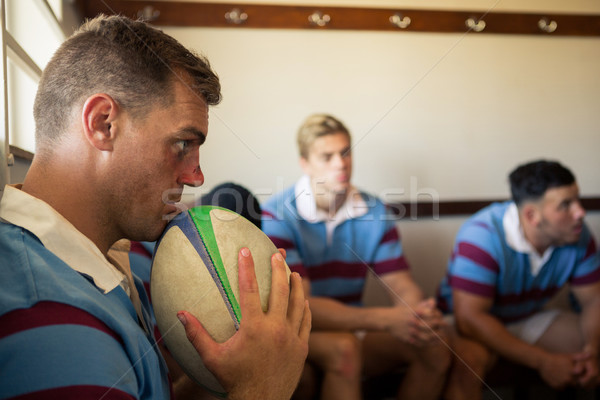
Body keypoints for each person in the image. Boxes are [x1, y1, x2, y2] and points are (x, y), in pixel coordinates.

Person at [0, 15, 310, 400]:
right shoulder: (47, 315)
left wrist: (225, 378)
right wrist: (262, 388)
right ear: (103, 124)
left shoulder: (90, 263)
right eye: (182, 144)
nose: (197, 177)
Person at [261, 114, 451, 400]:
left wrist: (416, 315)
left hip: (355, 324)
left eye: (346, 151)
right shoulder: (278, 213)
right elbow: (302, 303)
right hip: (299, 329)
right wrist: (387, 320)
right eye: (327, 156)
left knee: (436, 346)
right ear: (305, 164)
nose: (341, 163)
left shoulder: (375, 210)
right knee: (344, 350)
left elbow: (400, 283)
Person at [438, 159, 600, 399]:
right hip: (465, 322)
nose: (580, 212)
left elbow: (593, 301)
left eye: (578, 199)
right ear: (532, 215)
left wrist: (592, 351)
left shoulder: (576, 233)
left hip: (525, 317)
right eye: (566, 205)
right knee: (468, 362)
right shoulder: (481, 236)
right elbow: (469, 319)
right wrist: (543, 361)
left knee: (590, 351)